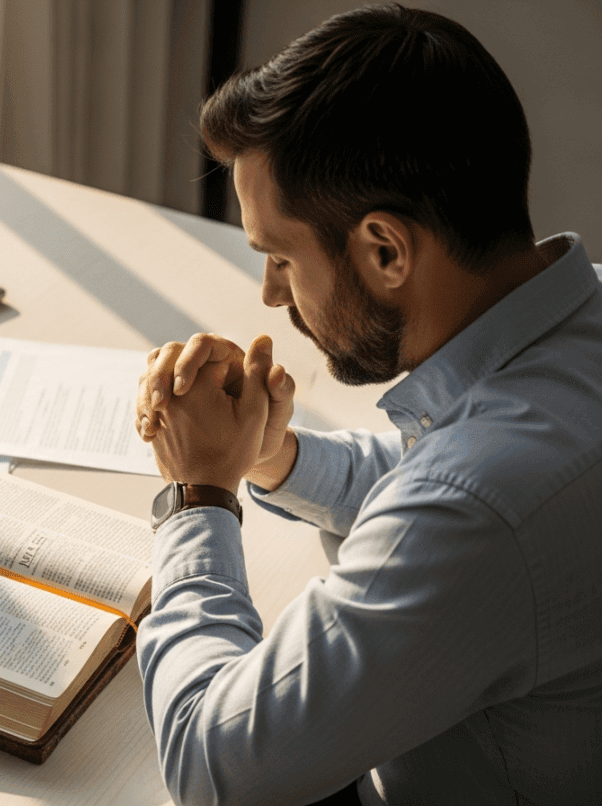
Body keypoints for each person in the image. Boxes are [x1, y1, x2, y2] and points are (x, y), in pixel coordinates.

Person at [133, 4, 602, 805]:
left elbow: (212, 767)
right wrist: (274, 458)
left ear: (384, 250)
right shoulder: (564, 349)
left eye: (279, 257)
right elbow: (442, 468)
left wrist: (196, 496)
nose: (270, 294)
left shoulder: (477, 510)